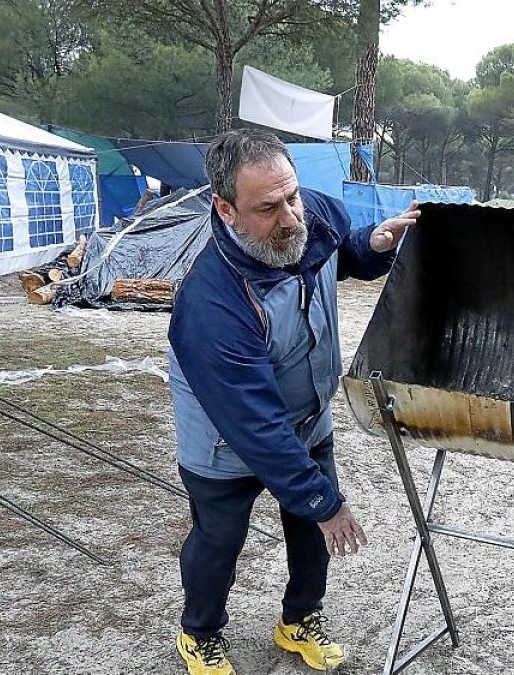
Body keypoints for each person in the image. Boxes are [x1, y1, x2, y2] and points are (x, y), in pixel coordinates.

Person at [168, 128, 418, 675]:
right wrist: (325, 501)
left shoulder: (310, 216)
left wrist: (374, 244)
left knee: (309, 531)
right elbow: (255, 426)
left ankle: (299, 619)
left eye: (292, 196)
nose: (289, 217)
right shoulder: (212, 305)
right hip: (224, 443)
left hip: (307, 420)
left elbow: (337, 253)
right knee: (219, 542)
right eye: (267, 207)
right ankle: (200, 632)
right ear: (225, 209)